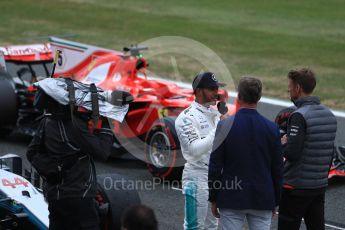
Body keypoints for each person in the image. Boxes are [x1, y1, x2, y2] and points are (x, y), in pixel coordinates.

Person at [27, 87, 114, 230]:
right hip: (79, 195)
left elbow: (32, 152)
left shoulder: (46, 122)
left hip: (54, 196)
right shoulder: (75, 126)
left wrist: (51, 170)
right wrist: (107, 125)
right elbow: (103, 152)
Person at [208, 76, 283, 230]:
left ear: (239, 97)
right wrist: (275, 200)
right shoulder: (272, 128)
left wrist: (213, 198)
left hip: (231, 197)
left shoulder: (224, 126)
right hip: (262, 198)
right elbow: (278, 169)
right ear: (259, 97)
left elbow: (215, 166)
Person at [278, 68, 337, 230]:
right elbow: (328, 152)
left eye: (290, 86)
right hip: (318, 187)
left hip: (295, 188)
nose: (288, 89)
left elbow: (292, 154)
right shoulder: (329, 114)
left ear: (298, 88)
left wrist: (282, 143)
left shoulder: (298, 116)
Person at [175, 71, 226, 230]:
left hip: (217, 176)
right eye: (211, 88)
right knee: (194, 227)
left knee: (212, 227)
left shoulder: (217, 114)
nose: (215, 92)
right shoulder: (186, 118)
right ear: (198, 91)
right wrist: (220, 126)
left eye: (216, 88)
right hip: (197, 176)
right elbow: (195, 149)